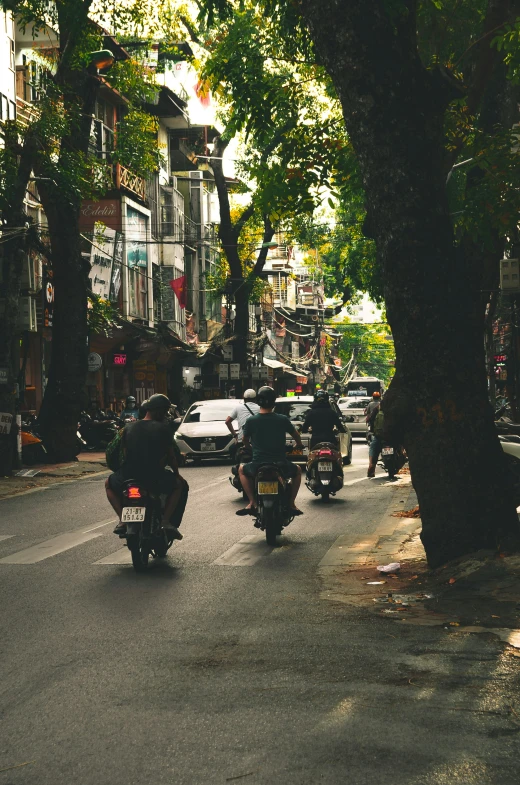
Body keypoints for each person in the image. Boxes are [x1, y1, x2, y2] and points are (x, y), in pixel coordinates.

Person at [106, 394, 187, 537]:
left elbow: (117, 452)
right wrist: (177, 473)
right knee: (180, 485)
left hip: (127, 476)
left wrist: (118, 469)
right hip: (154, 477)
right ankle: (166, 522)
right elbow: (171, 455)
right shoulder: (164, 429)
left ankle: (122, 520)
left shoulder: (127, 428)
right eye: (164, 411)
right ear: (159, 411)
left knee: (108, 483)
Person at [237, 386, 304, 516]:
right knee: (297, 471)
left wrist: (249, 448)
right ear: (274, 402)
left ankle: (252, 502)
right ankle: (291, 504)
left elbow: (245, 440)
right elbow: (296, 435)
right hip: (280, 463)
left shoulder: (251, 421)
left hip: (258, 464)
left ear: (259, 402)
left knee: (241, 469)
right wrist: (299, 445)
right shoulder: (282, 419)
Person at [367, 398, 385, 477]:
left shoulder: (377, 408)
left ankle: (372, 466)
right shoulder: (395, 407)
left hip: (379, 435)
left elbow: (370, 419)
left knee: (373, 447)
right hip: (392, 436)